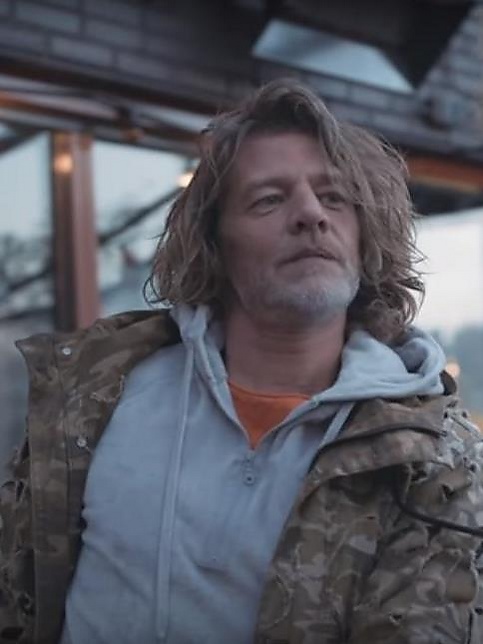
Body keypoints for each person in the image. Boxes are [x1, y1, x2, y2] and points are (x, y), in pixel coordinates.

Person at [1, 78, 483, 644]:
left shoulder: (434, 456)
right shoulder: (93, 402)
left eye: (334, 198)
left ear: (363, 235)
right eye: (269, 199)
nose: (310, 214)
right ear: (215, 245)